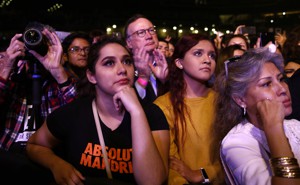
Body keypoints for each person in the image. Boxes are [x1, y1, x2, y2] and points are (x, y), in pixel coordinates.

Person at [26, 35, 170, 185]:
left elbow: (153, 181)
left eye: (127, 61)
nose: (122, 69)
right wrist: (56, 165)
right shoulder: (75, 113)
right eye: (109, 63)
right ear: (92, 76)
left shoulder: (152, 114)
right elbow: (34, 145)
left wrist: (136, 112)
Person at [0, 25, 77, 183]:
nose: (36, 45)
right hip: (7, 161)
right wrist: (7, 67)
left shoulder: (62, 79)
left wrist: (57, 70)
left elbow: (80, 117)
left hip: (47, 163)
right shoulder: (13, 76)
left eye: (44, 41)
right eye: (32, 39)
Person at [213, 47, 300, 185]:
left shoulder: (295, 126)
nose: (283, 89)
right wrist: (273, 128)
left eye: (281, 79)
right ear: (240, 100)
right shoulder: (236, 143)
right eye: (266, 84)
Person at [149, 33, 224, 184]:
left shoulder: (223, 101)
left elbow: (234, 155)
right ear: (179, 62)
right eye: (198, 53)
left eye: (212, 56)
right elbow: (171, 165)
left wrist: (202, 174)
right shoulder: (164, 106)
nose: (207, 60)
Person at [124, 14, 169, 107]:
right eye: (141, 32)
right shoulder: (124, 69)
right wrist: (143, 78)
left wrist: (165, 80)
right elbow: (128, 107)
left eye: (151, 30)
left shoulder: (170, 64)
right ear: (129, 42)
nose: (149, 36)